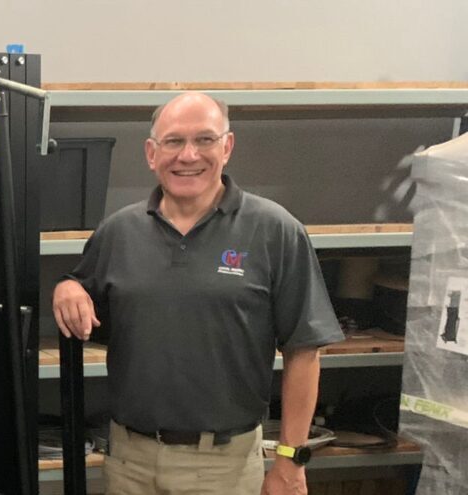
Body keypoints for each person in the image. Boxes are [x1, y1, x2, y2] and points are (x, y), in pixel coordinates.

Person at [52, 92, 344, 494]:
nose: (188, 155)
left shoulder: (275, 230)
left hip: (223, 467)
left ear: (227, 147)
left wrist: (291, 461)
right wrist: (66, 286)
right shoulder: (118, 232)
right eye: (173, 141)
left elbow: (304, 351)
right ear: (151, 153)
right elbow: (81, 286)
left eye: (205, 139)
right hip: (129, 463)